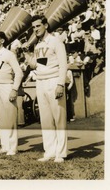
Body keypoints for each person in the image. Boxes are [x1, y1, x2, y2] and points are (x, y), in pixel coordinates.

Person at [24, 15, 68, 163]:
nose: (35, 29)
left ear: (45, 26)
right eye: (34, 27)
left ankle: (60, 153)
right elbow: (36, 65)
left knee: (59, 118)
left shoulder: (56, 41)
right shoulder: (38, 45)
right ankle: (49, 151)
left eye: (38, 26)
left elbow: (63, 64)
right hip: (41, 82)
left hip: (54, 80)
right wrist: (26, 54)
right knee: (46, 119)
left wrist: (60, 84)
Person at [0, 31, 23, 155]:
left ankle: (12, 147)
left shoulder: (9, 54)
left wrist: (14, 89)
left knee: (10, 117)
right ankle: (5, 146)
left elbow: (19, 72)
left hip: (7, 86)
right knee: (1, 117)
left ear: (2, 41)